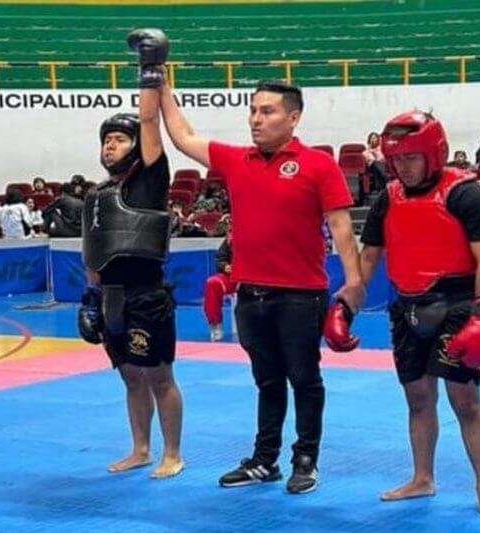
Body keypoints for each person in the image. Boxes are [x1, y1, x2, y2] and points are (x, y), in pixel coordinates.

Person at [146, 28, 365, 493]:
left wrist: (354, 284)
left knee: (305, 379)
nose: (255, 119)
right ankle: (265, 459)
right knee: (267, 381)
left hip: (301, 296)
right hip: (250, 294)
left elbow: (343, 228)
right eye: (252, 110)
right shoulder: (236, 159)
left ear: (293, 117)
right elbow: (182, 135)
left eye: (266, 111)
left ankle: (305, 458)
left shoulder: (317, 165)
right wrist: (159, 82)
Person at [359, 111, 480, 515]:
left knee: (465, 400)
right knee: (418, 398)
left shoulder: (465, 193)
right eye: (396, 159)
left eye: (410, 158)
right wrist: (347, 301)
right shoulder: (389, 196)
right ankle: (422, 478)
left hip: (456, 304)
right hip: (406, 306)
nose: (402, 167)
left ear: (432, 153)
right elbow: (369, 254)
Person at [78, 28, 184, 479]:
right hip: (112, 298)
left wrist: (150, 71)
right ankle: (140, 448)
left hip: (147, 295)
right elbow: (94, 254)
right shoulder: (98, 193)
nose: (110, 145)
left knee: (159, 376)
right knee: (129, 376)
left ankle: (172, 453)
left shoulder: (149, 178)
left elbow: (148, 124)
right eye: (105, 140)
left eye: (118, 140)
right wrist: (91, 300)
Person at [203, 215, 237, 341]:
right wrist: (225, 266)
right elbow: (220, 258)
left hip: (255, 278)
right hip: (234, 278)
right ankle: (215, 325)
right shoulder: (230, 239)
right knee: (212, 283)